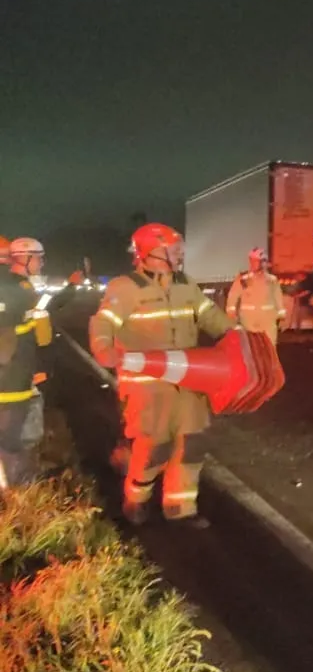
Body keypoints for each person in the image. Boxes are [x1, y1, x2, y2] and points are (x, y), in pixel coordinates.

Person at [90, 223, 234, 526]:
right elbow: (104, 322)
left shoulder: (185, 284)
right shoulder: (125, 287)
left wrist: (238, 336)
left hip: (188, 382)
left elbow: (210, 316)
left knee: (193, 444)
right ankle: (136, 500)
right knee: (155, 447)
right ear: (149, 252)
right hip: (148, 386)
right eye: (172, 248)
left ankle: (180, 509)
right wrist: (104, 348)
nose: (178, 254)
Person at [0, 238, 50, 487]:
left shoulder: (22, 288)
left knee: (16, 433)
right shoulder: (14, 289)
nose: (41, 263)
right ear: (23, 257)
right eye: (38, 257)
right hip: (11, 380)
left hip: (19, 374)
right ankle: (15, 489)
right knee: (11, 436)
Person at [227, 247, 288, 342]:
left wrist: (282, 317)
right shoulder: (243, 279)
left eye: (257, 261)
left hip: (268, 320)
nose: (254, 263)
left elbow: (278, 298)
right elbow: (233, 296)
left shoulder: (272, 280)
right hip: (249, 321)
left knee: (270, 347)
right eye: (253, 260)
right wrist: (231, 314)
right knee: (251, 348)